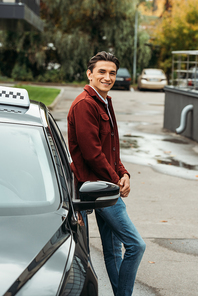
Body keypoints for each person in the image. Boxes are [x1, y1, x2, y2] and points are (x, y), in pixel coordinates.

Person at [67, 51, 146, 296]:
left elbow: (111, 149)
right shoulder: (85, 105)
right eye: (102, 71)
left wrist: (124, 174)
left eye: (112, 72)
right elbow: (92, 154)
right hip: (98, 188)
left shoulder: (104, 102)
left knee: (113, 251)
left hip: (106, 186)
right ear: (89, 74)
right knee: (136, 245)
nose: (107, 77)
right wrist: (115, 180)